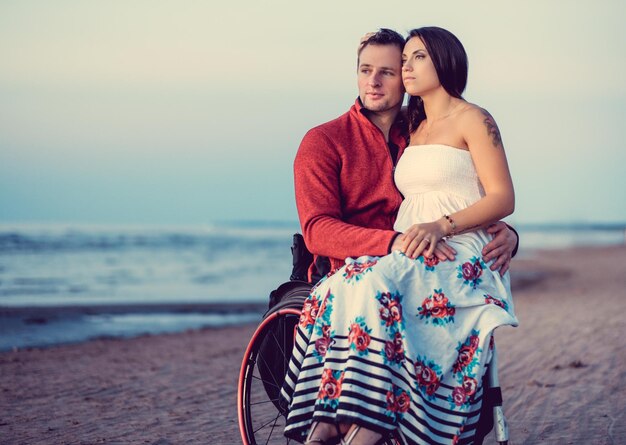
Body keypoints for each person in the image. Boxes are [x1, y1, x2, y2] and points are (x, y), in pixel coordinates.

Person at [280, 27, 519, 445]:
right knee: (357, 284)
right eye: (365, 70)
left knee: (385, 285)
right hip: (376, 258)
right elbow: (317, 229)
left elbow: (481, 191)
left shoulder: (417, 128)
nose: (377, 80)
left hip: (430, 252)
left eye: (390, 70)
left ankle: (369, 422)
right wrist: (393, 242)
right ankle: (337, 419)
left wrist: (508, 233)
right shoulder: (325, 141)